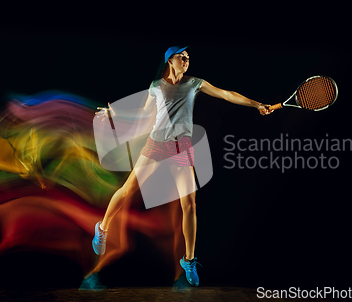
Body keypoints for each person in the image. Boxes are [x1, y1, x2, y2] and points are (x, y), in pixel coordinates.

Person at [84, 45, 272, 289]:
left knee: (190, 204)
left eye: (188, 57)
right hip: (155, 145)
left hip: (181, 149)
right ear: (169, 61)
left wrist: (256, 104)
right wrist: (115, 113)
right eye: (181, 57)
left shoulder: (195, 83)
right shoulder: (156, 87)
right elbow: (143, 116)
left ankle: (189, 260)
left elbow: (227, 94)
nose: (186, 59)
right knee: (129, 189)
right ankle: (103, 228)